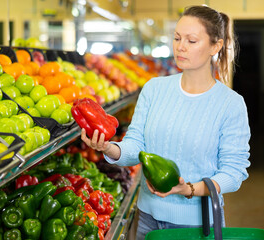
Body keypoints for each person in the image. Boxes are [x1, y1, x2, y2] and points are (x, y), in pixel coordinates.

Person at [81, 5, 251, 240]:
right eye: (177, 38)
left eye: (191, 41)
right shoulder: (154, 89)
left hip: (199, 227)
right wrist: (108, 147)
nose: (180, 47)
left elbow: (233, 172)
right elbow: (136, 145)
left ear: (216, 46)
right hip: (148, 220)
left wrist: (189, 189)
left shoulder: (230, 104)